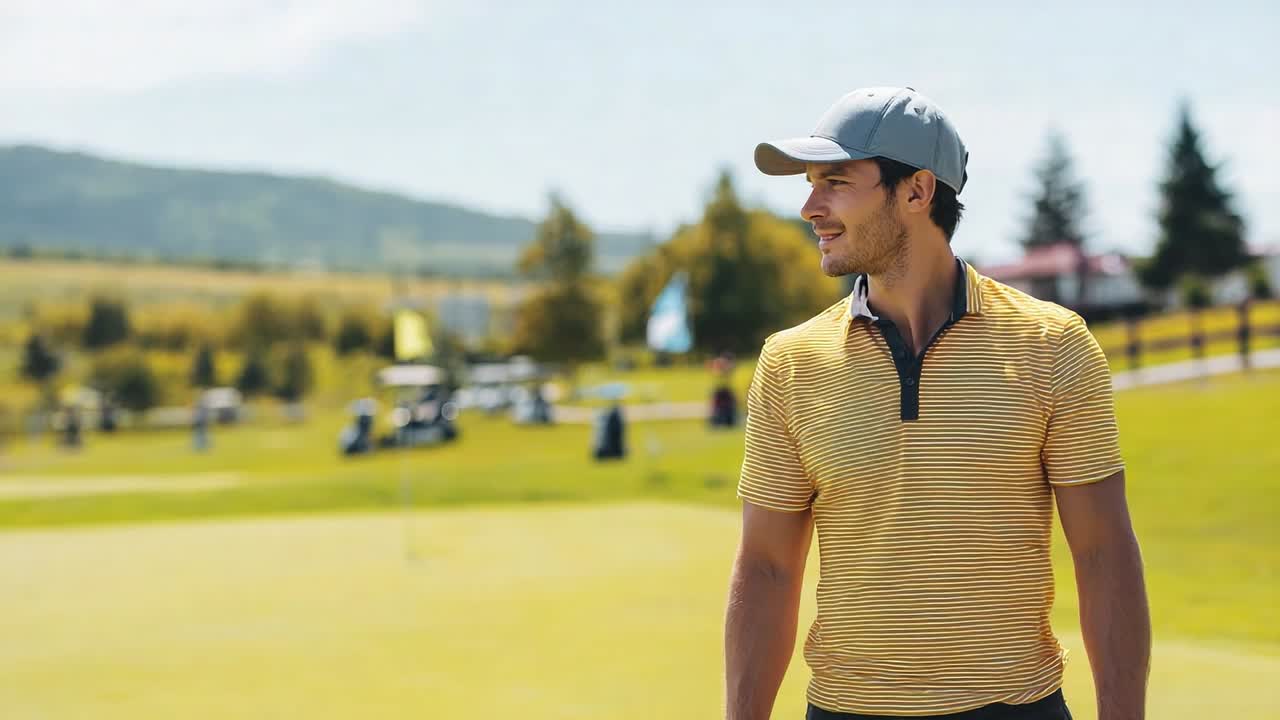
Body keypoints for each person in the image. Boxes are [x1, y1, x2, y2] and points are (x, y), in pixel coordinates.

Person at [725, 87, 1149, 720]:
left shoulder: (1052, 345)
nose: (811, 207)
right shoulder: (791, 363)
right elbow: (765, 569)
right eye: (811, 185)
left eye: (835, 182)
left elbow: (1103, 552)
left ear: (917, 191)